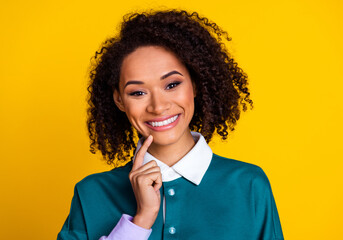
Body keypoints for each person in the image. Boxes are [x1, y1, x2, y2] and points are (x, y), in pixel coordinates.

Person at [57, 9, 284, 240]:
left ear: (195, 85)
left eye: (172, 85)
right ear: (119, 100)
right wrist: (142, 220)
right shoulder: (91, 194)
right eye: (138, 92)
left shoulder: (249, 186)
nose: (158, 106)